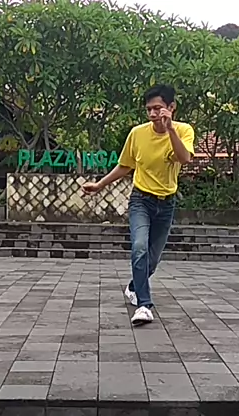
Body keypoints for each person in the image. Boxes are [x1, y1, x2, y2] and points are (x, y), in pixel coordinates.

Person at [82, 84, 195, 326]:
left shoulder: (184, 130)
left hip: (167, 203)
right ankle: (144, 305)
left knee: (152, 260)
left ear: (171, 107)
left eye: (158, 108)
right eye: (149, 109)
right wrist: (99, 185)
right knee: (139, 248)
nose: (153, 114)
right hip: (141, 200)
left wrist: (170, 129)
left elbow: (184, 158)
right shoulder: (137, 134)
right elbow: (125, 165)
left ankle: (134, 287)